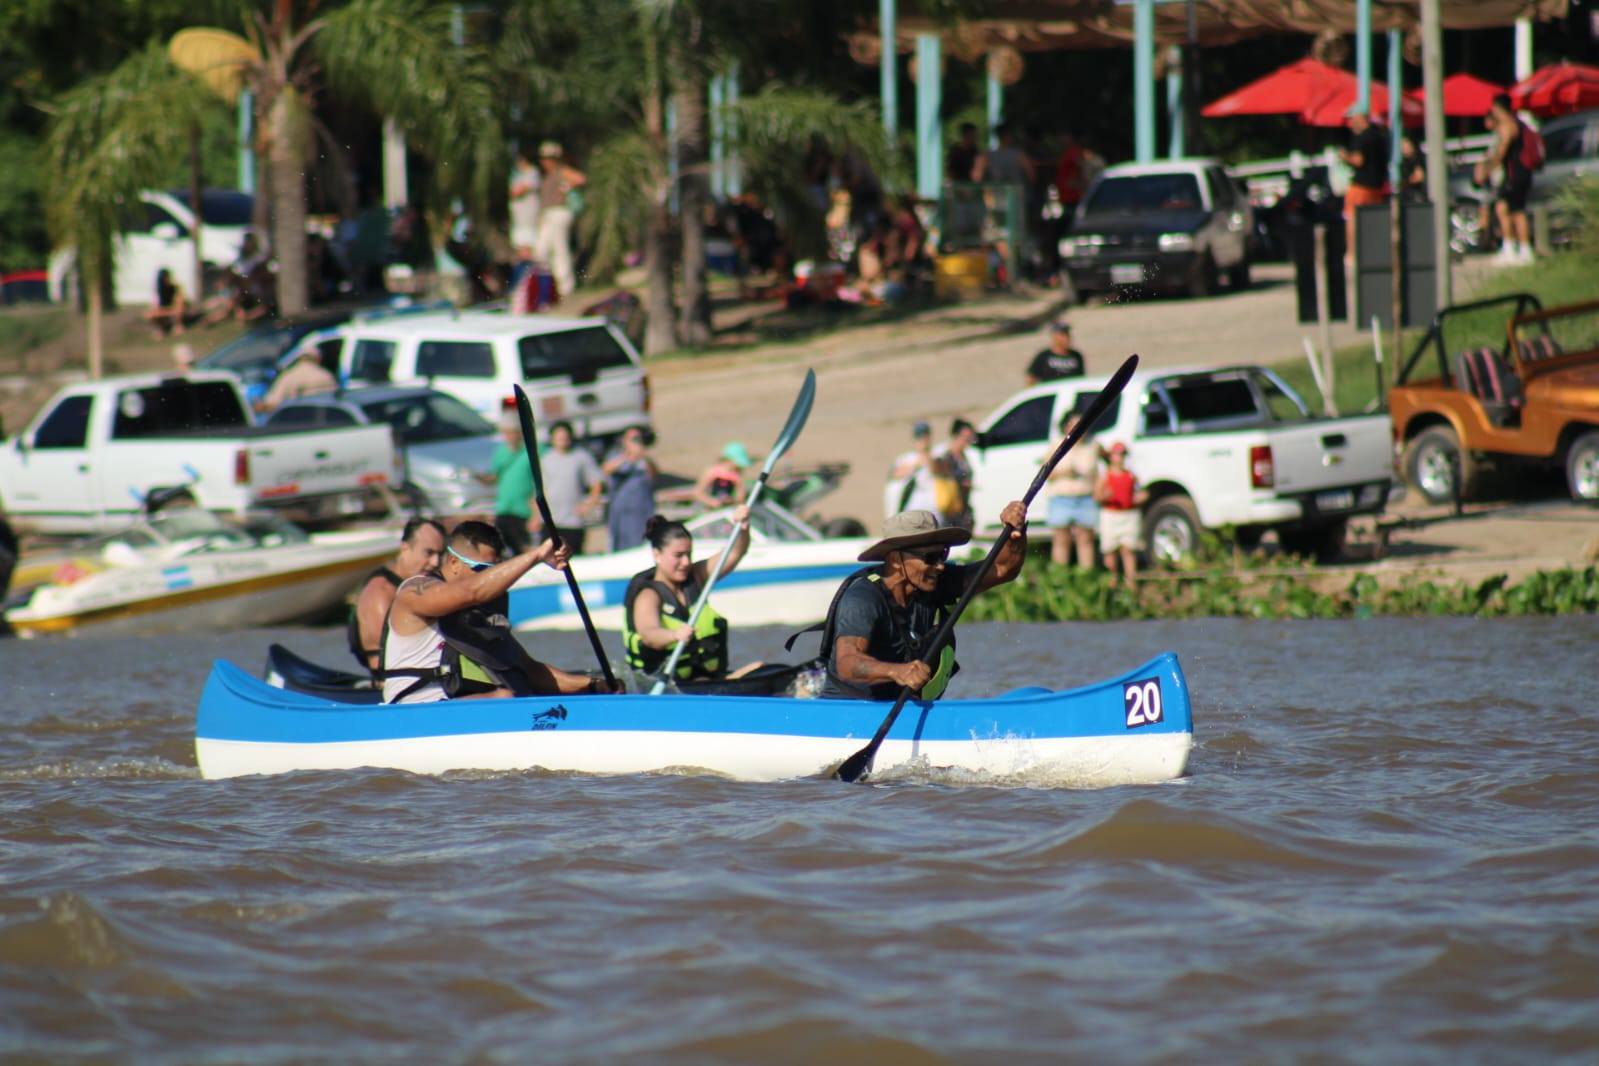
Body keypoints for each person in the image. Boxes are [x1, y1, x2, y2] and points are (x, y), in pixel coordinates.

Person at [381, 521, 609, 704]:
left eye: (495, 570)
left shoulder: (481, 613)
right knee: (505, 697)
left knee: (519, 691)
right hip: (413, 712)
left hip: (466, 707)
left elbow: (530, 670)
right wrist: (537, 556)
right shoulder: (415, 591)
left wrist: (593, 685)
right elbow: (472, 591)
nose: (491, 579)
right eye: (482, 571)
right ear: (453, 562)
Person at [817, 504, 1028, 701]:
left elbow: (1002, 569)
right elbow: (847, 663)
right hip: (849, 709)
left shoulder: (933, 582)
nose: (940, 566)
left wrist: (1014, 535)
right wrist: (896, 671)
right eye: (930, 557)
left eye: (943, 554)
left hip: (904, 708)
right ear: (896, 560)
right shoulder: (862, 599)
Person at [621, 508, 761, 684]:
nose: (686, 562)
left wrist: (742, 529)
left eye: (689, 554)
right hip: (669, 685)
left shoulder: (696, 577)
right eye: (678, 556)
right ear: (657, 554)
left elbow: (734, 553)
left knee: (759, 667)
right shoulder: (648, 595)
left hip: (706, 680)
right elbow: (649, 634)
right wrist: (674, 635)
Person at [348, 516, 447, 675]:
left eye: (439, 554)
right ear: (405, 548)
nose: (435, 562)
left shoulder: (413, 586)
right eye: (428, 553)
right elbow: (397, 653)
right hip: (389, 685)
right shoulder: (381, 592)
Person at [529, 420, 603, 554]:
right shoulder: (546, 459)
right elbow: (538, 491)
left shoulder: (581, 457)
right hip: (550, 521)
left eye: (565, 437)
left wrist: (589, 504)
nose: (562, 440)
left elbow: (596, 482)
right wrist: (535, 516)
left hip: (572, 521)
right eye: (559, 437)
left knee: (572, 556)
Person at [1481, 95, 1537, 265]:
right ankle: (1510, 247)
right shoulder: (1518, 123)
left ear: (1499, 108)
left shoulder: (1508, 126)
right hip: (1518, 173)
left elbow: (1502, 151)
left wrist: (1488, 168)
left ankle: (1524, 250)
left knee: (1516, 211)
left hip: (1514, 174)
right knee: (1503, 209)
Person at [1045, 413, 1100, 568]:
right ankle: (1060, 577)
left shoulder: (1093, 445)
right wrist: (1065, 472)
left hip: (1085, 497)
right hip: (1062, 497)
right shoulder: (1056, 445)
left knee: (1086, 539)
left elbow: (1097, 472)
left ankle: (1085, 577)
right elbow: (1046, 472)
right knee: (1061, 539)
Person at [532, 141, 586, 298]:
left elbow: (581, 179)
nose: (545, 161)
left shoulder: (562, 171)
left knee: (559, 250)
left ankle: (566, 288)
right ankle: (551, 288)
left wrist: (568, 186)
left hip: (560, 213)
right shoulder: (547, 175)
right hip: (549, 215)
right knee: (541, 252)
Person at [1339, 107, 1390, 265]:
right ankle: (1375, 251)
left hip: (1361, 185)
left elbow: (1359, 161)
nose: (1349, 123)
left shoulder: (1361, 138)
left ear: (1360, 118)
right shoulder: (1379, 135)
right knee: (1373, 219)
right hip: (1377, 185)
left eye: (1351, 119)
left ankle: (1352, 254)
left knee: (1352, 218)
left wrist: (1345, 157)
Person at [1095, 442, 1148, 587]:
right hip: (1111, 514)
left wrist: (1141, 497)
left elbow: (1142, 491)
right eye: (1117, 454)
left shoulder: (1131, 475)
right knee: (1110, 550)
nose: (1120, 457)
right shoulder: (1105, 476)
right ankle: (1111, 582)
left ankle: (1131, 582)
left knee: (1128, 550)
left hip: (1128, 514)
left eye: (1122, 454)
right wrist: (1104, 496)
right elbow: (1097, 496)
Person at [488, 411, 535, 555]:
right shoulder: (501, 452)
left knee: (525, 550)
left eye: (513, 432)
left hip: (523, 510)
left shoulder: (532, 452)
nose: (509, 436)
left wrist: (536, 513)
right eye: (506, 433)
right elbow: (496, 477)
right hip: (503, 509)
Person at [603, 426, 657, 551]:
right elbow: (606, 469)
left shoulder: (644, 460)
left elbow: (653, 476)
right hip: (621, 512)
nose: (636, 442)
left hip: (642, 510)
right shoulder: (615, 455)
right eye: (633, 439)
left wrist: (642, 456)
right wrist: (627, 457)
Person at [255, 346, 336, 413]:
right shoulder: (326, 375)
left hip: (297, 422)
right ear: (318, 359)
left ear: (300, 358)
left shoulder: (289, 376)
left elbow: (272, 402)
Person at [931, 419, 978, 529]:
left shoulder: (964, 457)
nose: (968, 442)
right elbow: (942, 478)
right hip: (951, 511)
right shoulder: (946, 458)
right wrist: (960, 484)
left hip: (964, 509)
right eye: (965, 438)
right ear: (956, 436)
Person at [889, 421, 938, 515]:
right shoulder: (906, 457)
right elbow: (895, 474)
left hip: (934, 507)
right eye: (919, 438)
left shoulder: (937, 454)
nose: (923, 440)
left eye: (925, 436)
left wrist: (926, 453)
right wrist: (916, 465)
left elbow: (937, 469)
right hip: (912, 508)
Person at [693, 442, 752, 510]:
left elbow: (740, 498)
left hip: (727, 509)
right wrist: (711, 501)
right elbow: (698, 492)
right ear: (729, 459)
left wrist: (732, 501)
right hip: (709, 509)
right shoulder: (712, 472)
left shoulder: (736, 476)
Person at [1026, 319, 1086, 384]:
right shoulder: (1043, 356)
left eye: (1067, 334)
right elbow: (1031, 379)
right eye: (1062, 334)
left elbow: (1081, 380)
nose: (1066, 337)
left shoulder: (1076, 356)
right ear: (1054, 336)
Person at [508, 151, 542, 255]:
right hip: (518, 218)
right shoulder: (517, 175)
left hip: (528, 218)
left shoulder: (532, 173)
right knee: (520, 247)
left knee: (527, 248)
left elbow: (516, 192)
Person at [144, 269, 187, 338]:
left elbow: (179, 301)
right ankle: (160, 329)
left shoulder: (175, 288)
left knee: (179, 310)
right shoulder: (158, 291)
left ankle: (177, 326)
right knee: (150, 315)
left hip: (173, 309)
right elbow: (155, 305)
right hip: (164, 310)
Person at [1399, 136, 1428, 204]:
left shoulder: (1419, 159)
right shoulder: (1403, 162)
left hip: (1419, 193)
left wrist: (1409, 180)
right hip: (1407, 195)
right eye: (1403, 148)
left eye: (1407, 147)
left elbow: (1419, 178)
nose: (1405, 150)